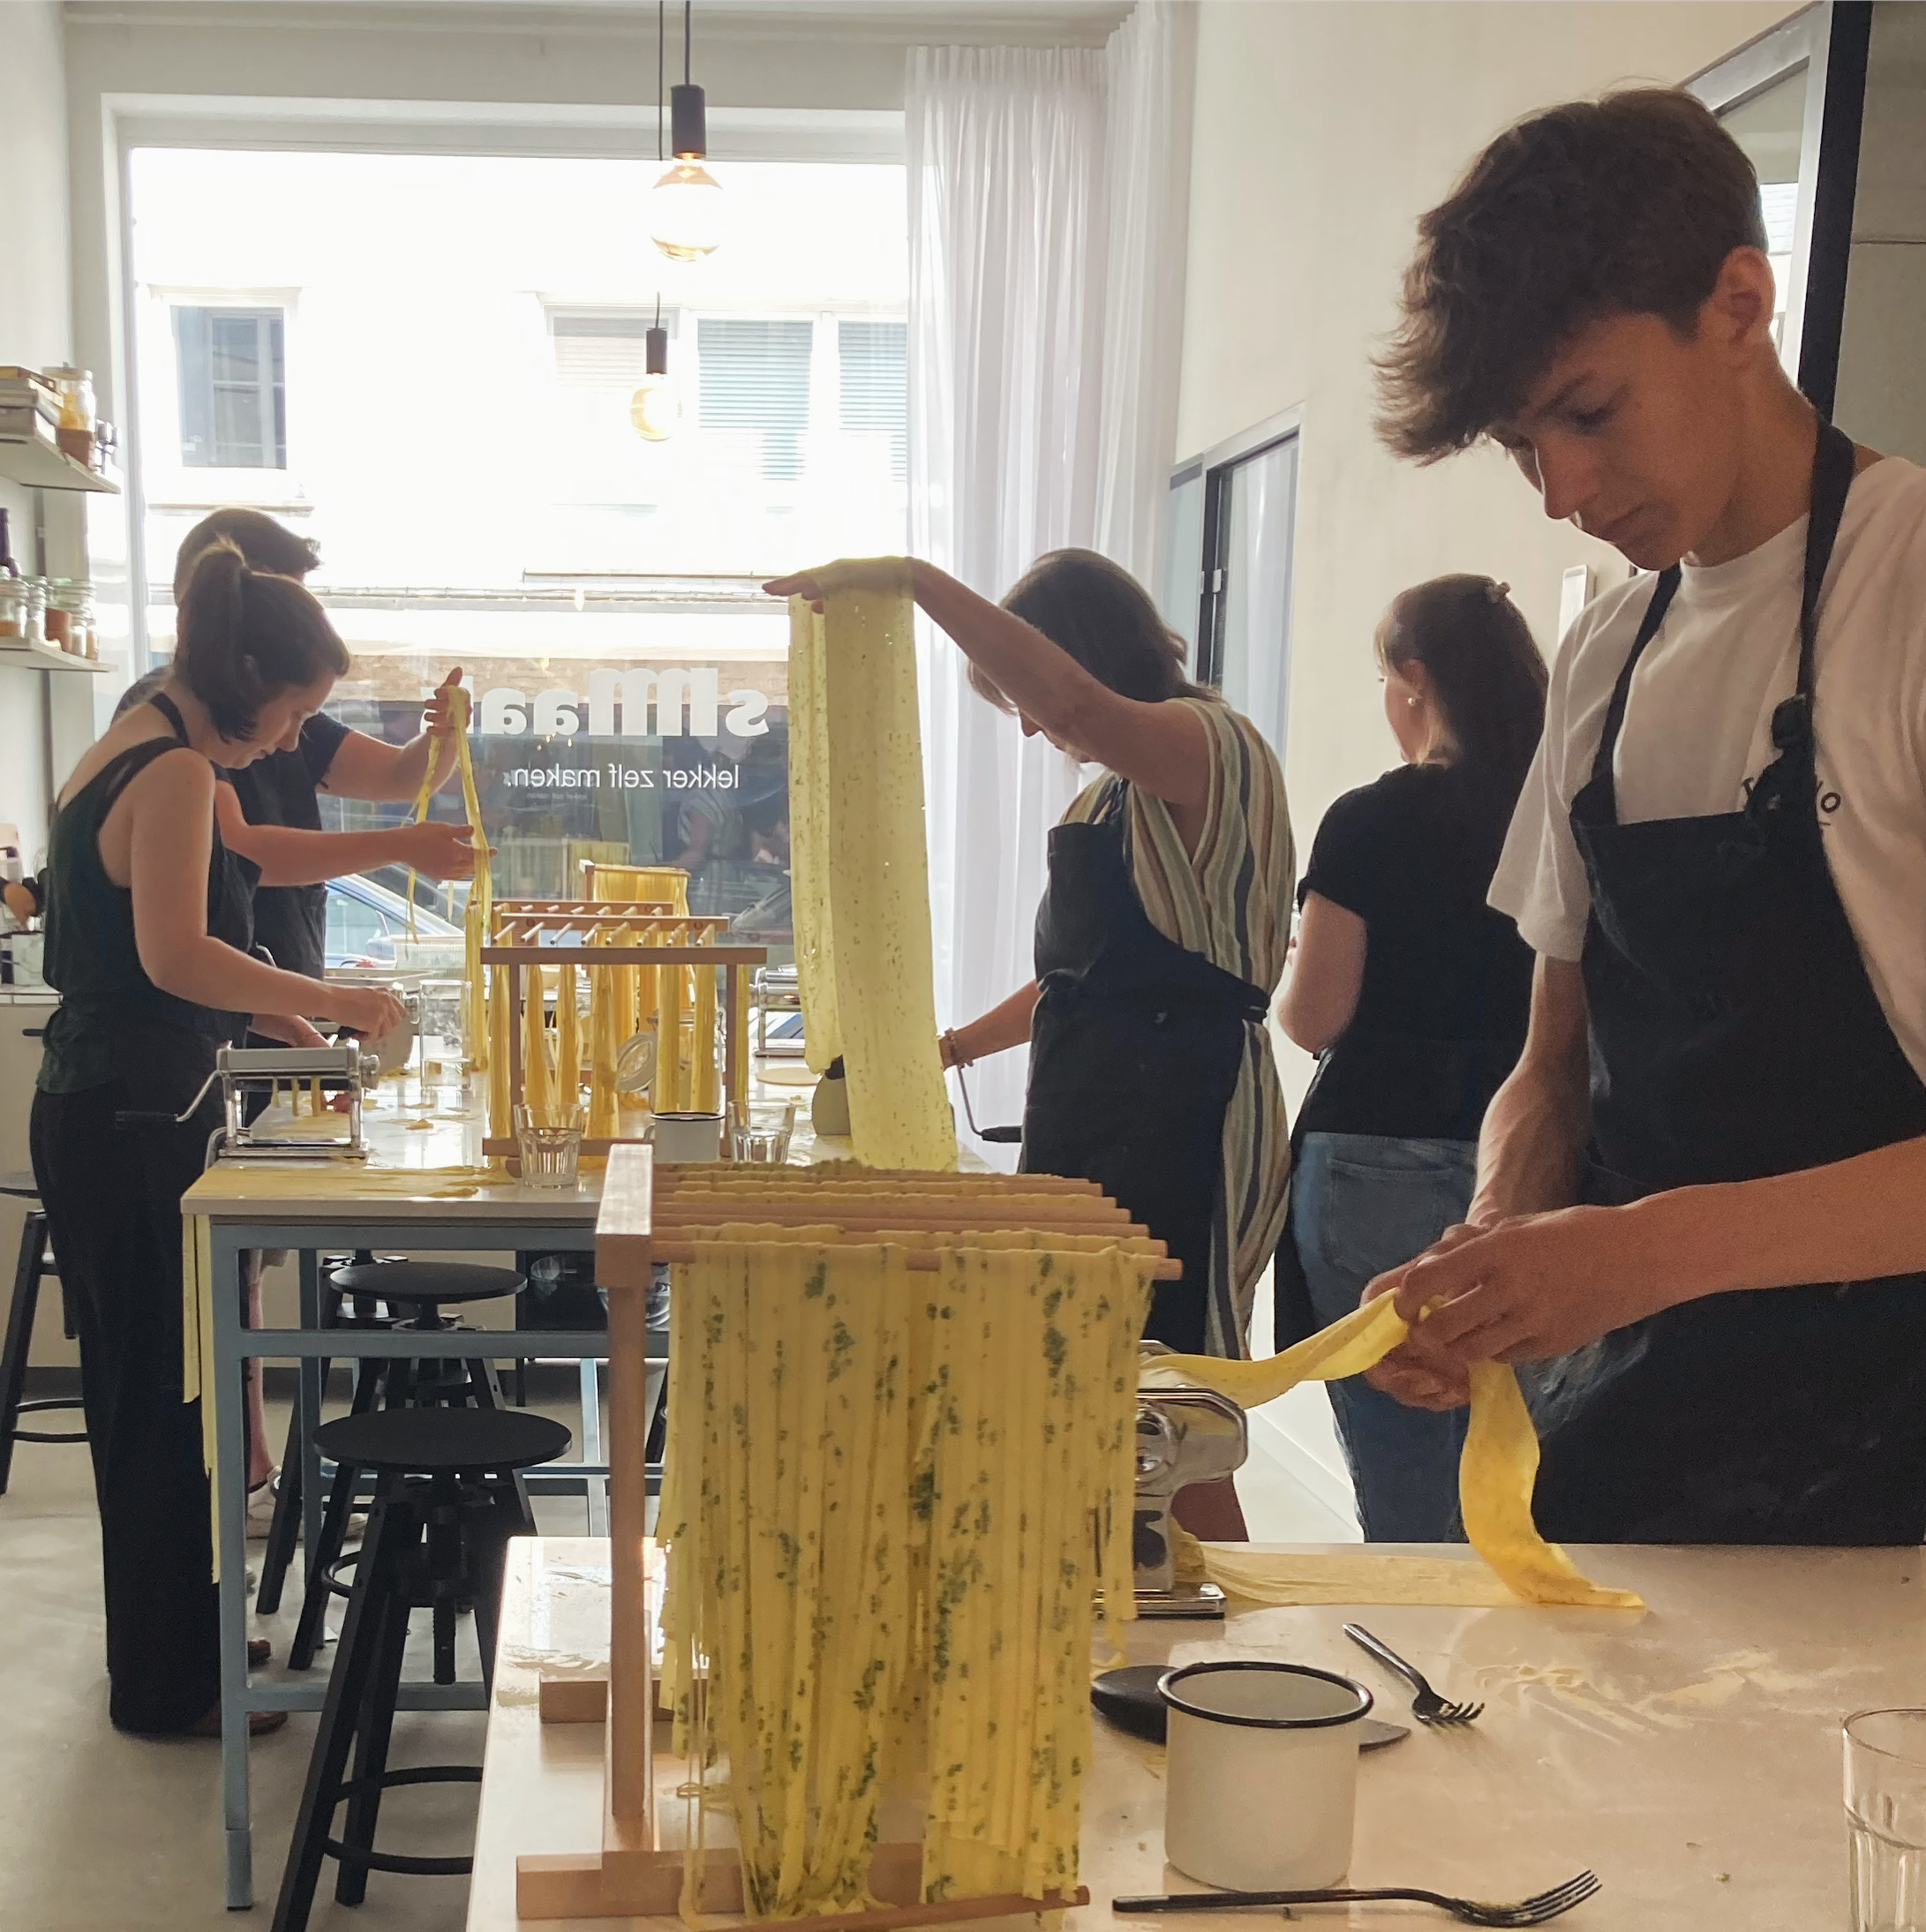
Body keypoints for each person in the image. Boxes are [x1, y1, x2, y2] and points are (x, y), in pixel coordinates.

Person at [1365, 88, 1926, 1545]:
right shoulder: (1603, 656)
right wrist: (1494, 1249)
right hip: (1648, 1447)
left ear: (1737, 303)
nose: (1560, 491)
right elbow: (1552, 1066)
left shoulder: (1908, 589)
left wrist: (1647, 1248)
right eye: (1520, 443)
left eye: (1587, 411)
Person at [30, 540, 405, 1735]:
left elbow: (173, 960)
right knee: (161, 1395)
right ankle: (171, 1682)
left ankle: (178, 1643)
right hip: (132, 1108)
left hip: (105, 1097)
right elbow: (177, 958)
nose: (291, 740)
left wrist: (301, 1022)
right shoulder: (180, 770)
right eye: (293, 713)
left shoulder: (132, 736)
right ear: (246, 681)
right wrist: (334, 1001)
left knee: (156, 1390)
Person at [767, 551, 1293, 1365]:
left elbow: (1075, 708)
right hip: (1097, 1111)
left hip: (1187, 1119)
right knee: (1068, 1375)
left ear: (1077, 655)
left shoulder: (1211, 744)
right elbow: (1075, 984)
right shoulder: (1109, 794)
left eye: (1020, 696)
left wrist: (916, 581)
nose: (1027, 724)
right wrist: (944, 1051)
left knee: (1164, 1389)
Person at [1275, 575, 1545, 1539]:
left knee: (1407, 1481)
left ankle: (1420, 1630)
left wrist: (1288, 967)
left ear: (1415, 679)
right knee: (1524, 1465)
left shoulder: (1369, 819)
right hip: (1538, 1156)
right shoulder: (1561, 810)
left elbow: (1314, 1018)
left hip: (1375, 1152)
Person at [167, 509, 472, 988]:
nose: (290, 738)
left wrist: (443, 737)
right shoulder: (178, 730)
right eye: (287, 605)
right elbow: (241, 852)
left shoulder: (278, 712)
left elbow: (400, 777)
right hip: (226, 1006)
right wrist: (400, 845)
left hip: (266, 998)